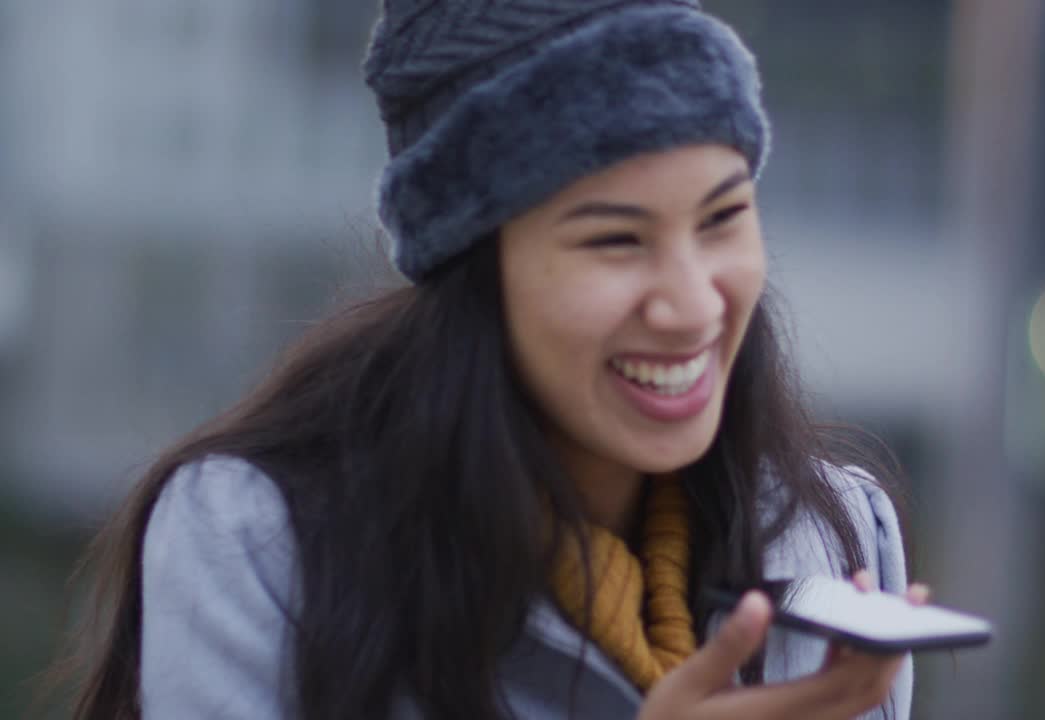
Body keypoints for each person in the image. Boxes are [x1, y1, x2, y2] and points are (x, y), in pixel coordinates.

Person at [60, 1, 927, 718]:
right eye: (616, 241)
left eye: (722, 219)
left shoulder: (830, 539)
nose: (693, 303)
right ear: (477, 268)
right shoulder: (264, 541)